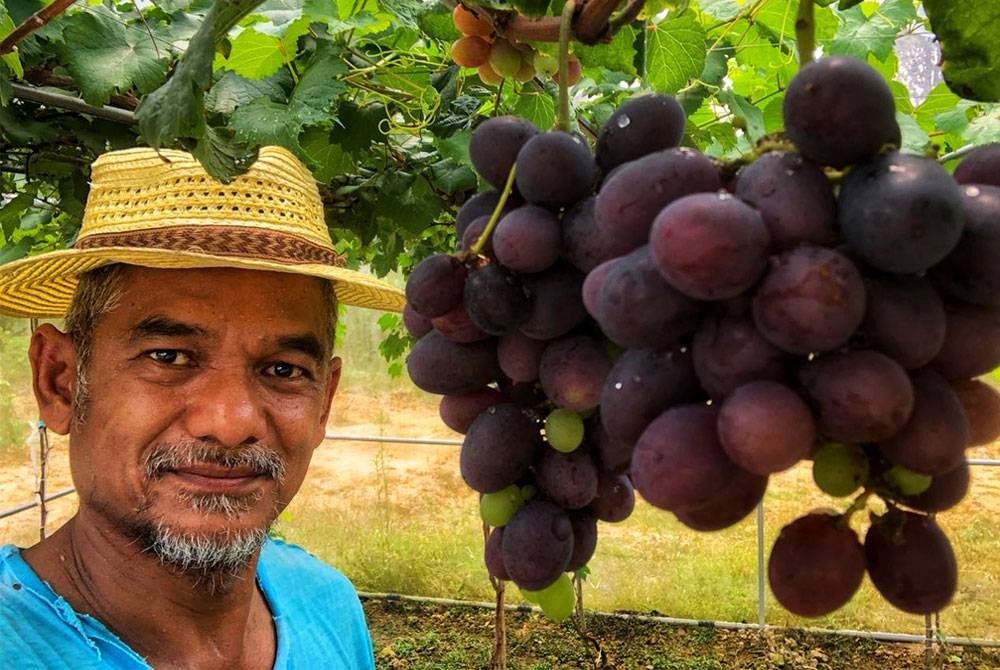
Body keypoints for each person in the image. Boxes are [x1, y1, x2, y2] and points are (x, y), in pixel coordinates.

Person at [0, 146, 406, 669]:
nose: (230, 424)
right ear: (59, 382)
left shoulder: (327, 603)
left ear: (323, 403)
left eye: (283, 370)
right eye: (168, 357)